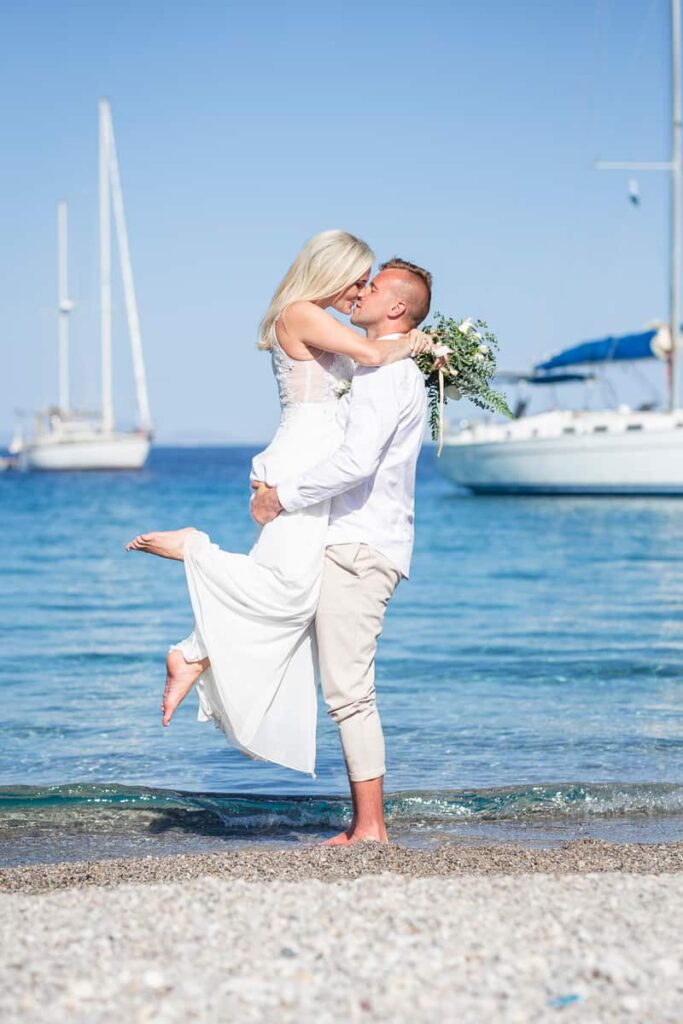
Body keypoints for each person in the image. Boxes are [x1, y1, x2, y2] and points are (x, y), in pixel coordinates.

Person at [125, 230, 435, 782]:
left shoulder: (317, 320)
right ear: (330, 272)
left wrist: (419, 347)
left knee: (291, 591)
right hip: (306, 462)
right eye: (357, 280)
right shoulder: (301, 312)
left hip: (316, 467)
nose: (359, 290)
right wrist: (422, 344)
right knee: (288, 588)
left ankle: (195, 654)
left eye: (369, 283)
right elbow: (371, 353)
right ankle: (194, 551)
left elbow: (369, 368)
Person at [251, 256, 431, 845]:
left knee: (350, 692)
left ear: (396, 307)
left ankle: (371, 827)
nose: (362, 292)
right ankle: (199, 655)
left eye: (373, 286)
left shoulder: (383, 372)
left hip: (358, 544)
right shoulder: (383, 363)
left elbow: (356, 462)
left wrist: (282, 496)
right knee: (284, 624)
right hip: (362, 539)